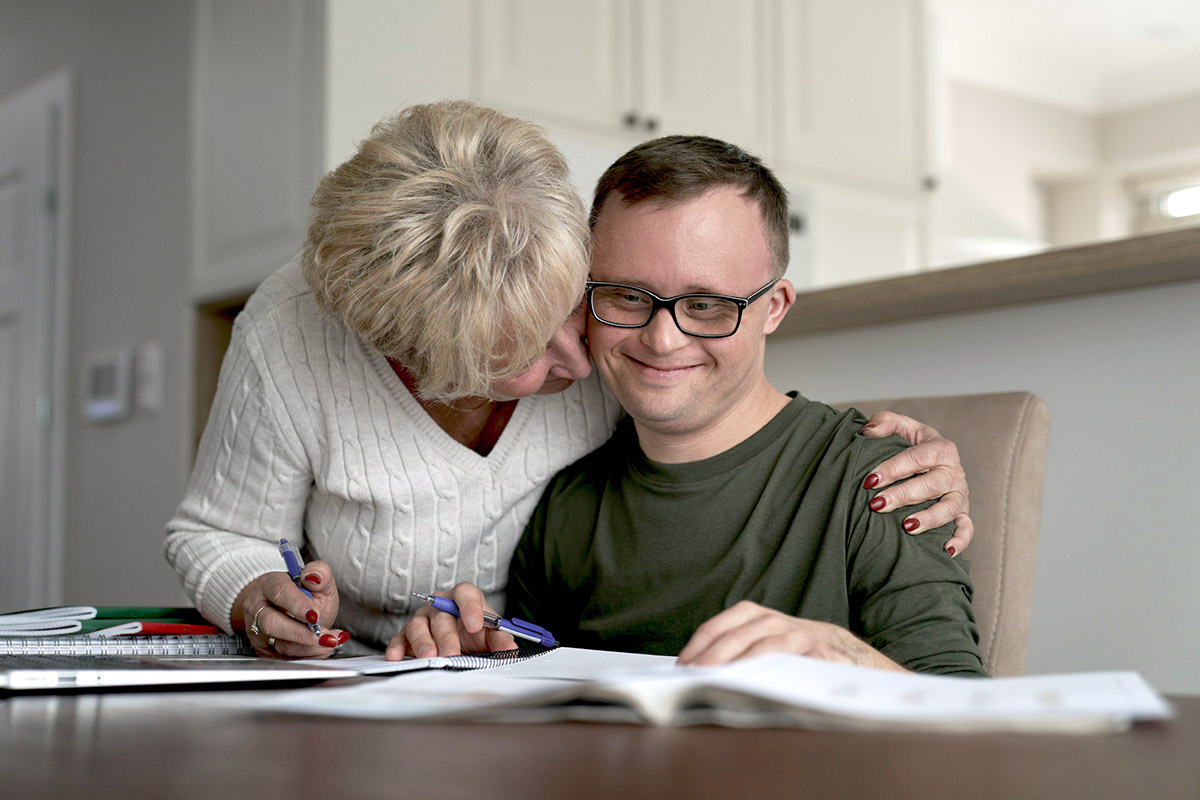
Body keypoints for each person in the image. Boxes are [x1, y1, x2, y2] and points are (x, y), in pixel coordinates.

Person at [165, 101, 973, 660]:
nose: (587, 355)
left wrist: (903, 458)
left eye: (577, 301)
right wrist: (274, 600)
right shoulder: (567, 505)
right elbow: (525, 656)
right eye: (518, 351)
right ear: (427, 361)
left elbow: (964, 716)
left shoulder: (870, 479)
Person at [398, 135, 986, 677]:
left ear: (774, 307)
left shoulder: (886, 479)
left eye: (706, 305)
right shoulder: (567, 502)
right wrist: (472, 657)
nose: (662, 340)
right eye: (628, 296)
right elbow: (532, 698)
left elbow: (972, 724)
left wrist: (843, 655)